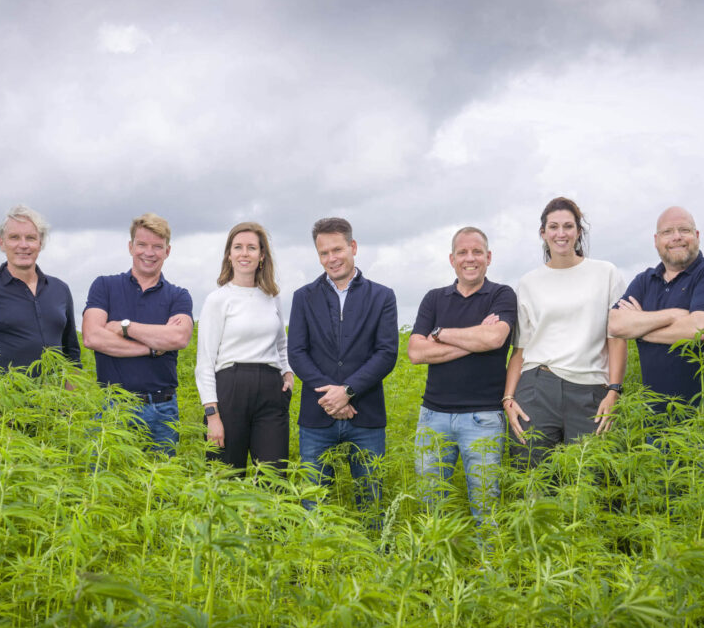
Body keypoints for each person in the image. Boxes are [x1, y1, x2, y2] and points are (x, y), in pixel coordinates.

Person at [502, 197, 627, 469]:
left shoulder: (605, 273)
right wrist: (508, 399)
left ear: (578, 232)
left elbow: (616, 338)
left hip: (591, 390)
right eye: (554, 226)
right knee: (532, 478)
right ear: (543, 233)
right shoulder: (528, 282)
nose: (561, 234)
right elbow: (520, 349)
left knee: (590, 479)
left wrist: (614, 391)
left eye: (568, 226)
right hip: (537, 387)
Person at [288, 217, 398, 518]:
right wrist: (332, 397)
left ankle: (372, 560)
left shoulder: (382, 296)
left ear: (353, 247)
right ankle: (316, 564)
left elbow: (386, 353)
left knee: (371, 503)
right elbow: (297, 353)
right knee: (314, 505)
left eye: (337, 249)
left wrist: (348, 392)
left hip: (366, 417)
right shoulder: (303, 297)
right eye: (323, 253)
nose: (331, 258)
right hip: (317, 417)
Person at [408, 227, 517, 523]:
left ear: (489, 257)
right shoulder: (434, 299)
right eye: (463, 252)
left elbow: (494, 340)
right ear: (452, 259)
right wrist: (476, 340)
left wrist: (440, 334)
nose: (470, 259)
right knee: (432, 507)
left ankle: (488, 566)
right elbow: (416, 352)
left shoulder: (502, 295)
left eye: (477, 252)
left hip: (483, 419)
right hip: (432, 418)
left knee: (486, 508)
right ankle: (436, 567)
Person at [82, 213, 193, 454]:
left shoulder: (178, 296)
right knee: (105, 484)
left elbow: (178, 338)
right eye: (142, 245)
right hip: (113, 405)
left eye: (157, 247)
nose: (149, 253)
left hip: (161, 409)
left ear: (168, 251)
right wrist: (152, 348)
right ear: (131, 247)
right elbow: (92, 337)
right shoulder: (104, 286)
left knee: (160, 486)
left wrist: (125, 327)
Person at [607, 206, 704, 409]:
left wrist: (640, 330)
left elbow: (699, 329)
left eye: (684, 230)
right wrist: (673, 316)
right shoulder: (644, 281)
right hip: (654, 418)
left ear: (696, 236)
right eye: (667, 232)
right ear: (656, 240)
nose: (676, 237)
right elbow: (615, 325)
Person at [194, 222, 294, 474]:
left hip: (271, 391)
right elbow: (205, 362)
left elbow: (282, 344)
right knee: (226, 475)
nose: (244, 253)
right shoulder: (218, 299)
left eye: (251, 248)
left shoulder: (272, 296)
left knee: (273, 474)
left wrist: (288, 373)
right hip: (231, 388)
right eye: (237, 247)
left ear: (262, 255)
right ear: (229, 254)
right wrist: (212, 415)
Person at [0, 205, 81, 370]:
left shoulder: (60, 290)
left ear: (40, 243)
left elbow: (72, 354)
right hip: (0, 394)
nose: (23, 245)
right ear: (2, 243)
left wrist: (72, 394)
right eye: (14, 237)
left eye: (31, 238)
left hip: (53, 395)